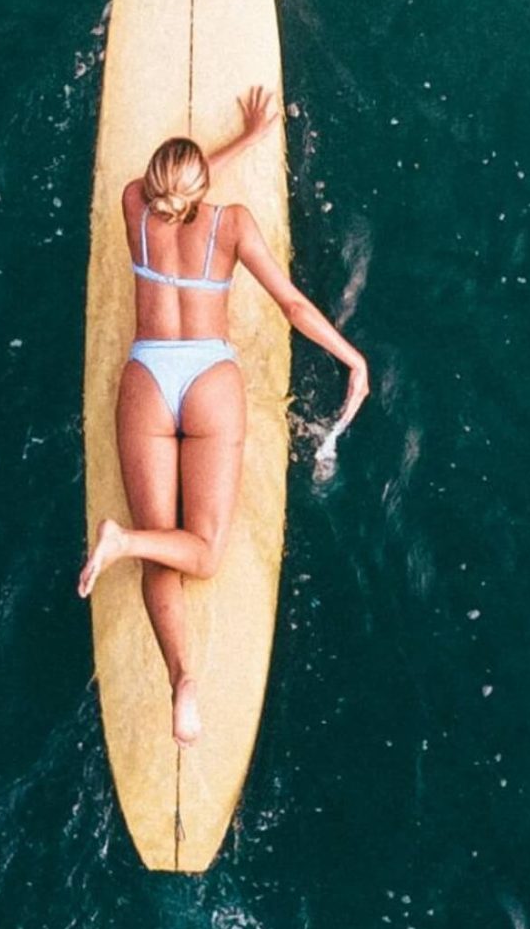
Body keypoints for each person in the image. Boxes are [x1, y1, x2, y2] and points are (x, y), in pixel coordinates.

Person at [78, 87, 368, 746]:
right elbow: (292, 305)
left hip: (149, 377)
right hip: (208, 378)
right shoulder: (231, 224)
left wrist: (225, 150)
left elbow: (170, 189)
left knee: (166, 552)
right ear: (203, 182)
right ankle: (123, 543)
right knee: (203, 554)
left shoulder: (134, 205)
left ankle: (183, 676)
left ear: (153, 183)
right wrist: (353, 358)